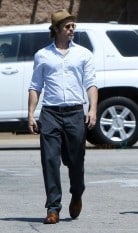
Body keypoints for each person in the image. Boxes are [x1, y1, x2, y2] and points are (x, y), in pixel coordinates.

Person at [27, 9, 98, 224]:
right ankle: (53, 208)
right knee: (49, 160)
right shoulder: (42, 55)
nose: (71, 30)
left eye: (73, 26)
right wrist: (31, 114)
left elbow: (91, 84)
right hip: (50, 113)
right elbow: (35, 86)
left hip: (76, 113)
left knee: (75, 161)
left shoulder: (84, 54)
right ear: (56, 29)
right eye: (67, 27)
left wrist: (92, 109)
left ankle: (77, 193)